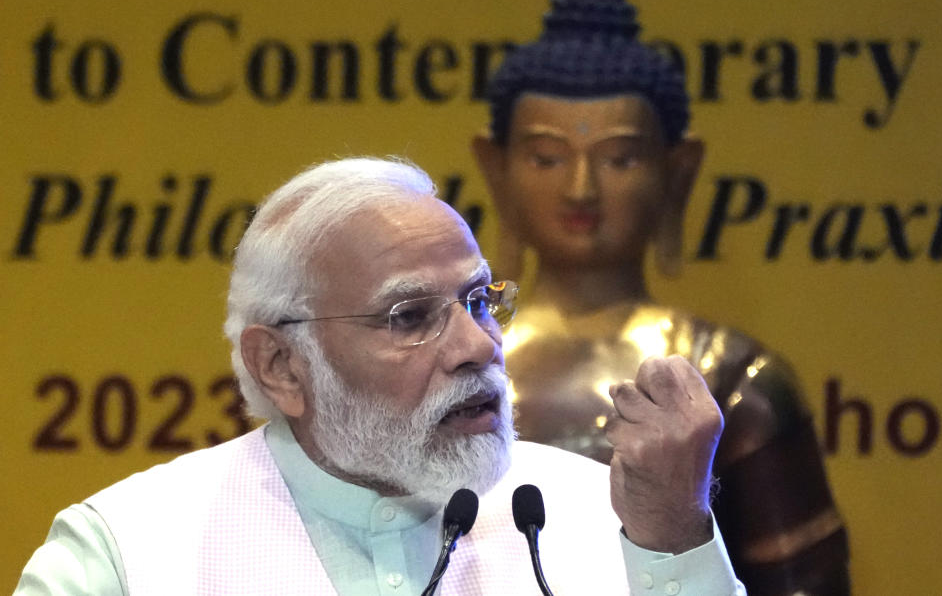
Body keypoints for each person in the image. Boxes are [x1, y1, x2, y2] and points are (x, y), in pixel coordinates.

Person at [17, 157, 745, 595]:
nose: (477, 346)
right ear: (281, 366)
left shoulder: (614, 518)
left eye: (479, 301)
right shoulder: (128, 551)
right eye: (408, 316)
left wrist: (673, 544)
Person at [471, 0, 850, 594]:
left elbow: (803, 583)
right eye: (545, 158)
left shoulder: (735, 379)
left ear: (677, 172)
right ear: (496, 168)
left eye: (620, 159)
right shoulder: (457, 361)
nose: (581, 189)